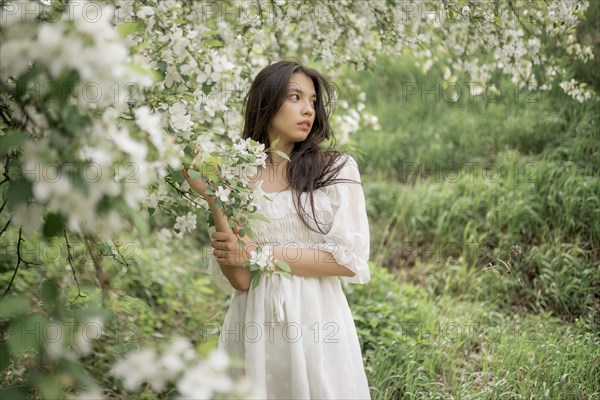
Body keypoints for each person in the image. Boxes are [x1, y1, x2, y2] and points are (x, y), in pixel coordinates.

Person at [183, 60, 371, 399]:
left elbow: (347, 259)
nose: (307, 110)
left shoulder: (336, 169)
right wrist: (214, 195)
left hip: (317, 321)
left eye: (312, 101)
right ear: (266, 103)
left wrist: (261, 253)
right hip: (255, 323)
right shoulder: (238, 177)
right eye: (295, 97)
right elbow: (240, 279)